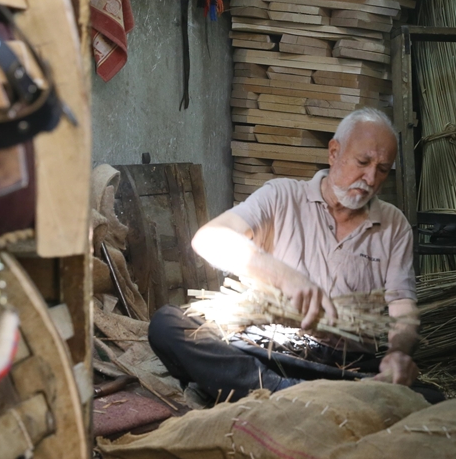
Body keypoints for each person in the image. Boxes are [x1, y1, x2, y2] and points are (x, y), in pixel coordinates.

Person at [148, 108, 439, 403]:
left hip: (343, 365)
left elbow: (402, 304)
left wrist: (399, 353)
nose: (371, 177)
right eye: (363, 162)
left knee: (430, 398)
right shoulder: (281, 196)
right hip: (269, 349)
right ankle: (289, 395)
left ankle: (278, 396)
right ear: (334, 152)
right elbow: (209, 238)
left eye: (383, 169)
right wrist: (284, 276)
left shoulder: (394, 224)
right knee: (168, 325)